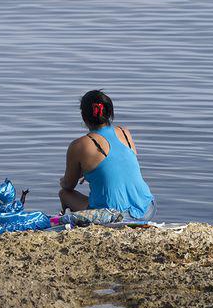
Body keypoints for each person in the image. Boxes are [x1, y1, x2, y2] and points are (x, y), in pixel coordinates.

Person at [58, 89, 155, 219]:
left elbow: (68, 185)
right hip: (147, 208)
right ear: (109, 113)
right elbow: (121, 166)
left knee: (64, 194)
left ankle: (69, 222)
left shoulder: (79, 145)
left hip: (114, 218)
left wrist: (67, 179)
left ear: (83, 116)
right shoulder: (124, 132)